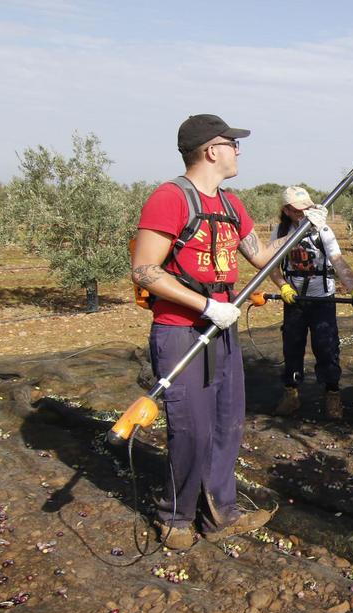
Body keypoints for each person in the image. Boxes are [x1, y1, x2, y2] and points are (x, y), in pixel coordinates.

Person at [131, 114, 283, 550]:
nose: (238, 151)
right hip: (181, 329)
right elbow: (144, 270)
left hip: (223, 329)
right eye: (233, 144)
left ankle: (220, 514)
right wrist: (205, 305)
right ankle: (175, 517)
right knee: (191, 427)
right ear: (212, 150)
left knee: (227, 423)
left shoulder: (233, 204)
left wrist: (304, 225)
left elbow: (261, 257)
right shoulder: (170, 198)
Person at [269, 186, 353, 419]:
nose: (303, 214)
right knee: (292, 347)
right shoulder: (280, 232)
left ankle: (332, 395)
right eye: (297, 210)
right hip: (294, 300)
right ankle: (291, 394)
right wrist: (282, 286)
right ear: (286, 210)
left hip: (322, 300)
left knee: (326, 347)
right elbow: (272, 268)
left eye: (306, 209)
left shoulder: (322, 230)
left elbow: (338, 261)